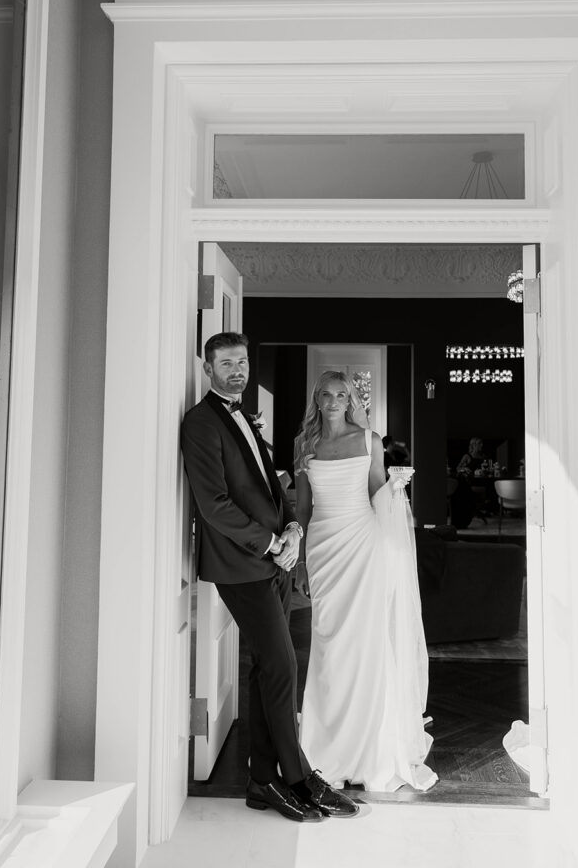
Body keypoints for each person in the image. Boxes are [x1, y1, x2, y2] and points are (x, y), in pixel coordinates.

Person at [180, 332, 359, 823]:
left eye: (242, 362)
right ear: (207, 367)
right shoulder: (200, 423)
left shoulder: (246, 414)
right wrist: (270, 543)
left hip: (276, 559)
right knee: (282, 665)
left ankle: (262, 782)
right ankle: (300, 778)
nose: (237, 370)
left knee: (266, 669)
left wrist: (294, 528)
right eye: (226, 363)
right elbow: (213, 505)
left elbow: (270, 483)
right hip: (242, 564)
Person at [293, 371, 437, 792]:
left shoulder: (368, 440)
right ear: (317, 400)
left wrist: (395, 489)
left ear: (352, 399)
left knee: (365, 647)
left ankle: (367, 749)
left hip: (364, 545)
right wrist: (300, 560)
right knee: (328, 646)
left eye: (343, 394)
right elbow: (302, 507)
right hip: (323, 548)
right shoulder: (304, 445)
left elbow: (377, 494)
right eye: (327, 394)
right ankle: (325, 748)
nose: (335, 400)